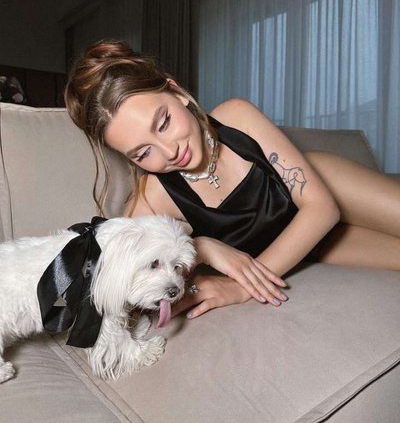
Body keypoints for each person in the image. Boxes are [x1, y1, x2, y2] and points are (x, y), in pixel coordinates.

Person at [65, 39, 400, 321]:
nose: (169, 151)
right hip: (318, 246)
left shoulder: (237, 115)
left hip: (330, 187)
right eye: (142, 153)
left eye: (163, 123)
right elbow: (110, 288)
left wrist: (242, 287)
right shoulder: (154, 198)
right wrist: (202, 248)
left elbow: (321, 207)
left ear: (177, 92)